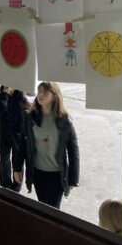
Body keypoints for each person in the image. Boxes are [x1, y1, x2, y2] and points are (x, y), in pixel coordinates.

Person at [13, 81, 80, 209]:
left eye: (45, 92)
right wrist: (17, 167)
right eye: (39, 91)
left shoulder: (65, 120)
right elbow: (22, 144)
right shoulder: (30, 117)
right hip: (37, 172)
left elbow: (73, 150)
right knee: (43, 206)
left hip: (57, 175)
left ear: (55, 96)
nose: (40, 94)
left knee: (52, 210)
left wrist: (73, 178)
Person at [0, 86, 30, 192]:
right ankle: (5, 185)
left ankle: (17, 186)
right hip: (4, 133)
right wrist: (4, 94)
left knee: (17, 160)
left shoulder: (22, 98)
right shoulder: (1, 97)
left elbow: (28, 112)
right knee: (4, 159)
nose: (9, 87)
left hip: (18, 135)